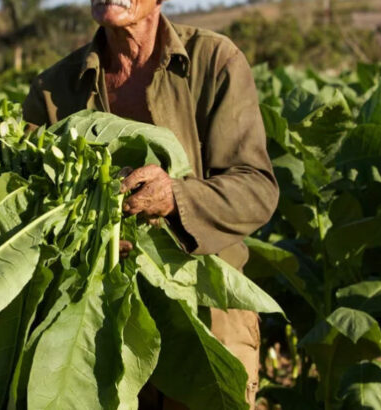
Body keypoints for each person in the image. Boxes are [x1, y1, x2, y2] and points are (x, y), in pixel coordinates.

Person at [22, 0, 279, 407]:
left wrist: (176, 198)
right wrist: (86, 236)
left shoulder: (214, 61)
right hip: (96, 328)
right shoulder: (54, 90)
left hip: (204, 319)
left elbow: (255, 188)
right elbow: (31, 211)